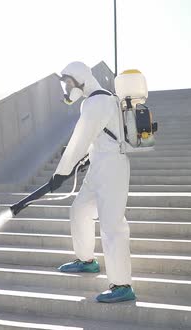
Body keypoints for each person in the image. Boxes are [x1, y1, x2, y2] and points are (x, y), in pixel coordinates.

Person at [49, 61, 135, 303]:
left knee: (112, 225)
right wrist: (82, 161)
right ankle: (86, 260)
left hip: (113, 168)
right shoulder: (93, 102)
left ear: (81, 79)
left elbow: (79, 139)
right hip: (98, 166)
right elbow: (92, 140)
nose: (67, 89)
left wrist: (60, 173)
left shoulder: (98, 101)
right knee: (80, 210)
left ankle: (122, 284)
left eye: (68, 83)